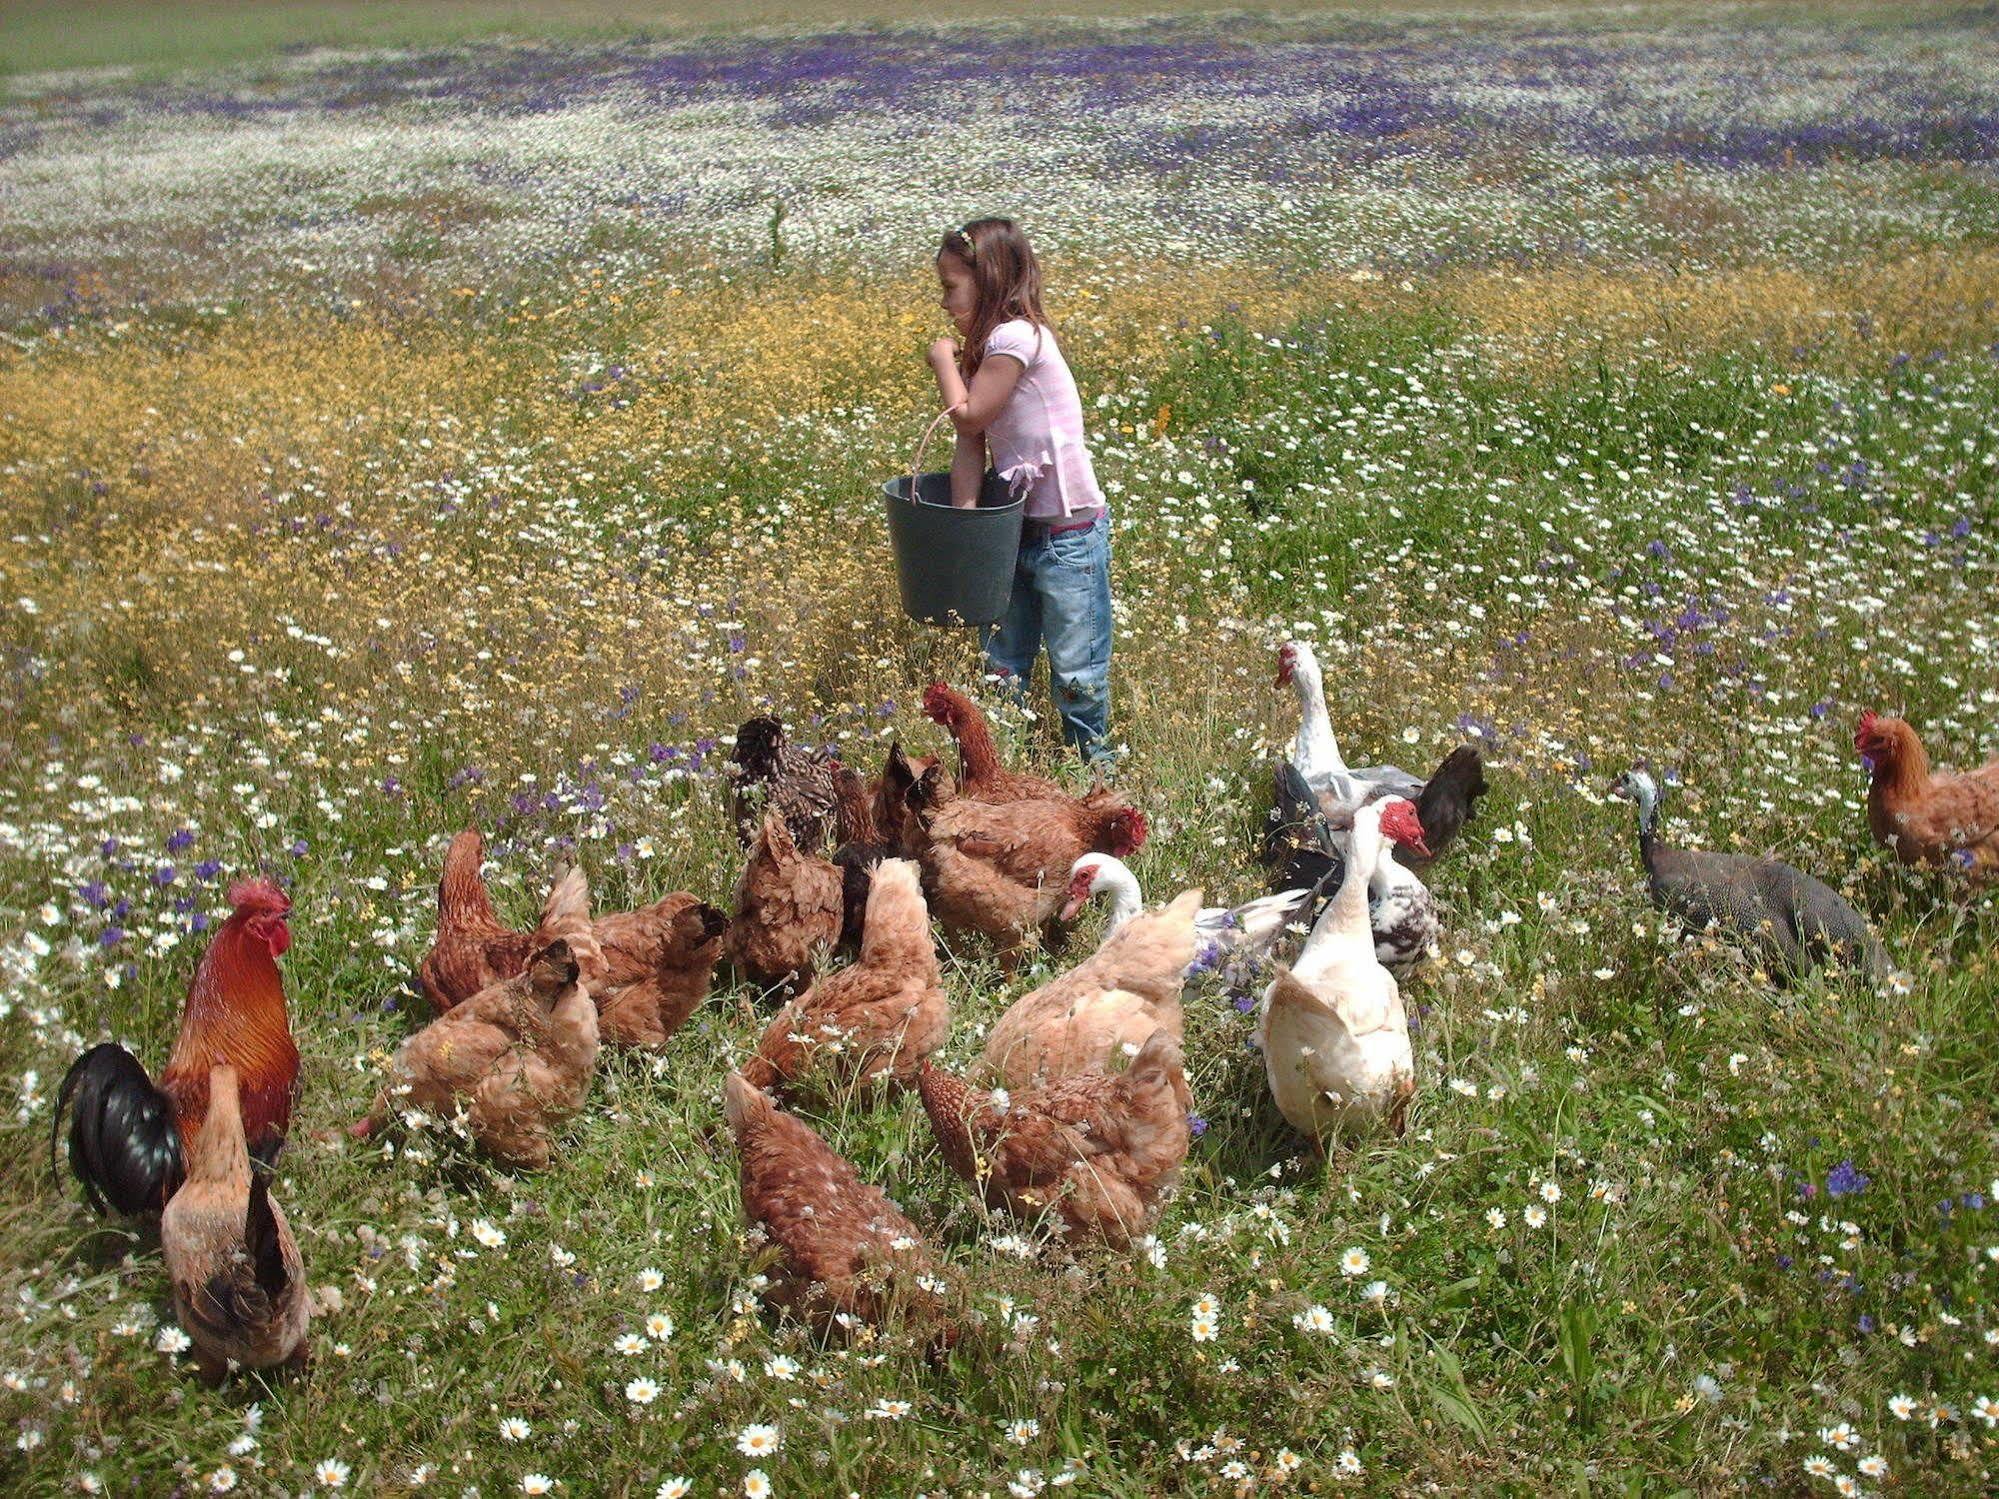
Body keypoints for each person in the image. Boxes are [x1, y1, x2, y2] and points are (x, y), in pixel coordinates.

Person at [926, 217, 1114, 761]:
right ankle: (1007, 773)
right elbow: (972, 444)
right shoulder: (985, 351)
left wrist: (941, 361)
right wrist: (965, 522)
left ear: (987, 282)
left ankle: (1096, 780)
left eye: (950, 287)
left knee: (1077, 675)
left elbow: (968, 417)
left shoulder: (1018, 337)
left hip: (1068, 537)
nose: (943, 302)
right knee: (1002, 670)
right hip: (1015, 533)